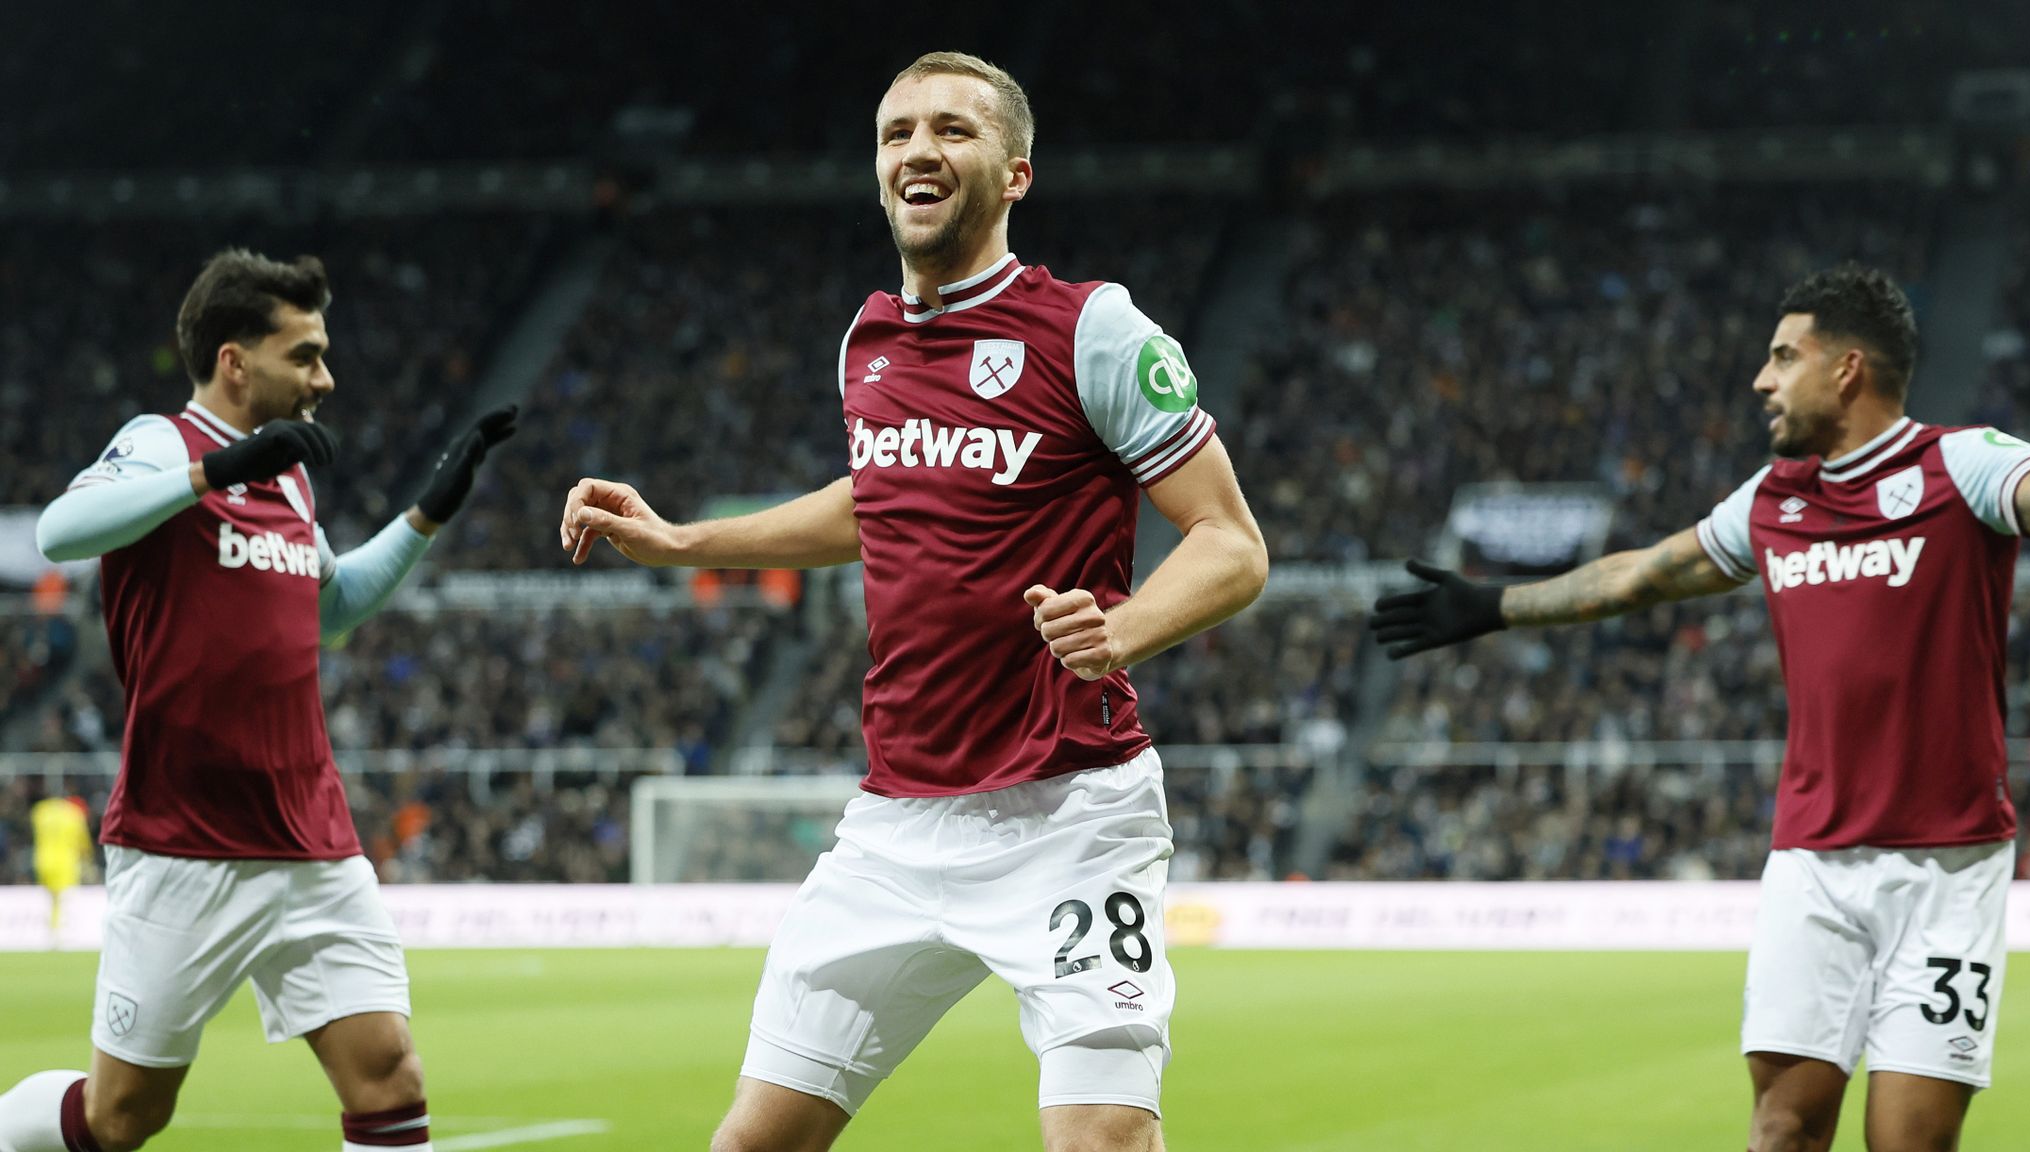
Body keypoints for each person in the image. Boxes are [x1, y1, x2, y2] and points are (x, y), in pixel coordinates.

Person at [562, 51, 1266, 1152]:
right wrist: (686, 538)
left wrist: (1121, 629)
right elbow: (881, 501)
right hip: (894, 827)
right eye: (896, 134)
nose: (917, 152)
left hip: (1070, 817)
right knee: (750, 1145)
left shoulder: (1092, 331)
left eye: (952, 130)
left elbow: (1231, 542)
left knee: (1101, 1143)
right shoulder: (869, 341)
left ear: (1015, 172)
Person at [1369, 264, 2030, 1152]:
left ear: (1846, 368)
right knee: (1781, 1131)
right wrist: (1494, 604)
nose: (1762, 381)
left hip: (1949, 871)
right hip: (1811, 864)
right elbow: (1645, 572)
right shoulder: (1772, 502)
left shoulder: (1960, 466)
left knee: (1909, 1145)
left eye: (1782, 357)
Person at [0, 249, 517, 1152]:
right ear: (236, 361)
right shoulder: (168, 443)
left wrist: (430, 509)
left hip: (311, 836)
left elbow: (334, 610)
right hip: (185, 840)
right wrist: (217, 471)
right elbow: (58, 532)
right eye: (305, 354)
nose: (326, 376)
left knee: (387, 1072)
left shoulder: (290, 474)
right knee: (124, 1117)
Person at [30, 794, 92, 944]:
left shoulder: (40, 810)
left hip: (42, 859)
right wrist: (87, 858)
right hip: (65, 861)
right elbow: (83, 843)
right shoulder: (74, 815)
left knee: (50, 898)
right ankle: (59, 934)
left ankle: (50, 931)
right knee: (64, 898)